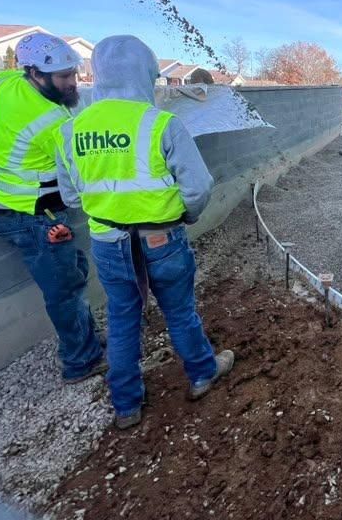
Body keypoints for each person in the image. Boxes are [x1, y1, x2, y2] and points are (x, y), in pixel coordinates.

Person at [55, 35, 233, 430]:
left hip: (107, 241)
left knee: (121, 318)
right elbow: (198, 187)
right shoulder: (161, 124)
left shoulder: (71, 130)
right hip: (161, 237)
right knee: (179, 310)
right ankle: (203, 373)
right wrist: (184, 216)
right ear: (146, 73)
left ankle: (126, 405)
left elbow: (70, 194)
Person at [0, 32, 105, 384]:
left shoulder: (7, 81)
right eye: (64, 78)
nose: (72, 82)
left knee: (73, 269)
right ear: (36, 74)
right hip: (35, 217)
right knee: (65, 290)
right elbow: (83, 171)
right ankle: (81, 362)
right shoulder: (50, 122)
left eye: (73, 74)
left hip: (7, 209)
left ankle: (87, 343)